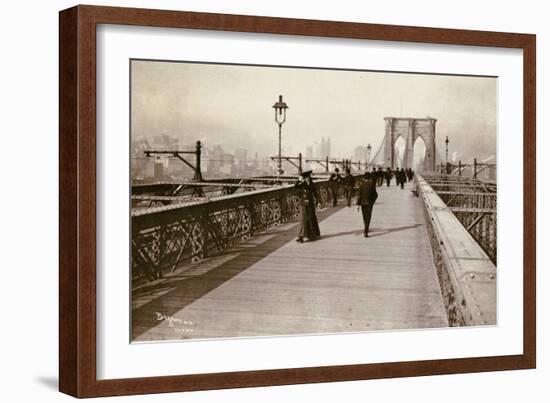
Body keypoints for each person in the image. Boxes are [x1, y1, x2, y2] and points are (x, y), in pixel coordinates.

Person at [295, 170, 321, 242]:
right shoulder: (302, 184)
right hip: (303, 204)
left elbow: (316, 194)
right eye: (305, 178)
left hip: (310, 204)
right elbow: (296, 186)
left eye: (307, 178)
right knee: (303, 219)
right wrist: (298, 180)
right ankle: (301, 236)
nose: (306, 179)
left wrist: (318, 202)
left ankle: (312, 235)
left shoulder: (312, 185)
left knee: (311, 219)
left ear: (309, 178)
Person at [356, 172, 378, 237]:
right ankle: (366, 229)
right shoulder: (372, 185)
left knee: (364, 216)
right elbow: (376, 195)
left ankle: (365, 227)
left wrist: (357, 205)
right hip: (369, 203)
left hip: (363, 203)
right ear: (369, 178)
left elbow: (359, 195)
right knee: (368, 216)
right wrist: (373, 201)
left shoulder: (361, 185)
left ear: (364, 178)